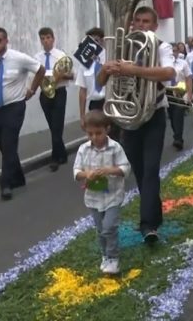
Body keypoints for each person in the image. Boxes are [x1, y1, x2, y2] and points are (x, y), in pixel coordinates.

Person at [97, 6, 175, 244]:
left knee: (150, 169)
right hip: (128, 117)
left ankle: (148, 225)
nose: (140, 25)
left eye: (146, 21)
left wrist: (134, 70)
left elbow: (169, 73)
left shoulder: (162, 46)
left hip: (153, 115)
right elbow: (99, 84)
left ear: (154, 26)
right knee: (140, 172)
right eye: (137, 21)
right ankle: (154, 214)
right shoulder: (119, 48)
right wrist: (106, 70)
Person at [0, 27, 45, 200]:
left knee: (9, 144)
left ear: (6, 41)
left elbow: (41, 70)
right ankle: (19, 177)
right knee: (4, 146)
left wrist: (32, 89)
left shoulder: (19, 58)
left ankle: (6, 185)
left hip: (14, 107)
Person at [73, 110, 130, 274]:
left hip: (113, 196)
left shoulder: (115, 148)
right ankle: (105, 255)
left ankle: (113, 258)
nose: (94, 137)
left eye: (98, 133)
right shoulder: (83, 149)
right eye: (90, 134)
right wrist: (87, 174)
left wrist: (109, 170)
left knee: (109, 226)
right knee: (100, 229)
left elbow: (126, 169)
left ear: (107, 129)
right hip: (93, 197)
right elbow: (76, 172)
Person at [34, 27, 73, 171]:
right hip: (44, 94)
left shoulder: (60, 55)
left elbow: (72, 75)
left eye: (48, 37)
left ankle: (55, 158)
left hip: (59, 93)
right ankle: (62, 154)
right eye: (43, 38)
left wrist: (59, 75)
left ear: (53, 38)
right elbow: (36, 75)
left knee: (57, 126)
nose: (45, 41)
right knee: (53, 127)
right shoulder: (37, 57)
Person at [168, 49, 193, 150]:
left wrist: (190, 93)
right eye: (171, 51)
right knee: (172, 116)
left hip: (180, 91)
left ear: (178, 52)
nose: (173, 53)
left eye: (175, 51)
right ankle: (176, 134)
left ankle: (178, 139)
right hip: (168, 92)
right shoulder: (164, 63)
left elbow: (188, 78)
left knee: (178, 115)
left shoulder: (183, 63)